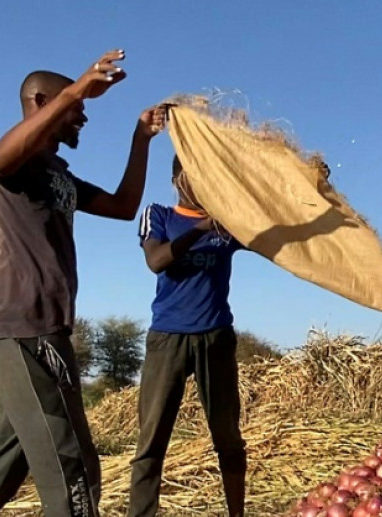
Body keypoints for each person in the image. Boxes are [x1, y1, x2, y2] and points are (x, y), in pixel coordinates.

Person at [0, 50, 166, 517]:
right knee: (72, 463)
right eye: (76, 111)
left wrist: (141, 139)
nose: (83, 119)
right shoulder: (14, 164)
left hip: (46, 326)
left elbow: (124, 206)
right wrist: (76, 90)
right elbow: (0, 157)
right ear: (40, 100)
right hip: (22, 327)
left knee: (6, 460)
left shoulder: (59, 174)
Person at [128, 156, 247, 517]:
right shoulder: (159, 215)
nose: (199, 183)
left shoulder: (228, 225)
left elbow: (276, 234)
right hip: (168, 339)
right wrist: (201, 229)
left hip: (215, 338)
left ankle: (236, 513)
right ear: (177, 178)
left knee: (227, 436)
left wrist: (309, 186)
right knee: (151, 441)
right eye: (192, 175)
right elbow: (157, 261)